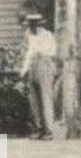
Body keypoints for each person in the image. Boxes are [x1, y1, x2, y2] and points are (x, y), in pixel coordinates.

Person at [19, 12, 57, 140]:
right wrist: (23, 70)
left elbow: (51, 51)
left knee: (45, 98)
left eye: (35, 25)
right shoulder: (28, 35)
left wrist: (37, 51)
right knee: (34, 99)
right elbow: (27, 54)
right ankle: (38, 128)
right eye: (31, 25)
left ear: (40, 25)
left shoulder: (47, 35)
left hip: (44, 64)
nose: (33, 27)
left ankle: (48, 130)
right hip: (33, 66)